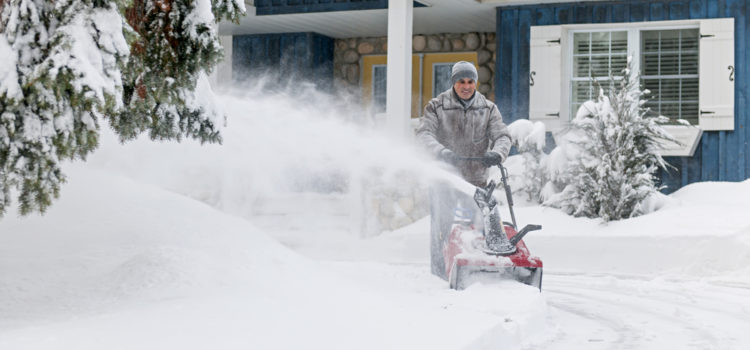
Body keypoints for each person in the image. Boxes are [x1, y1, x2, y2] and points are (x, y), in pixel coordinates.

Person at [416, 61, 513, 279]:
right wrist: (442, 152)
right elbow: (424, 135)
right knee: (443, 228)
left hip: (476, 181)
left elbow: (503, 136)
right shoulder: (437, 106)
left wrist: (497, 153)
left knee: (481, 228)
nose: (466, 86)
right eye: (461, 81)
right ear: (454, 82)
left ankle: (481, 271)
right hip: (445, 181)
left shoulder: (488, 109)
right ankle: (440, 274)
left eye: (471, 81)